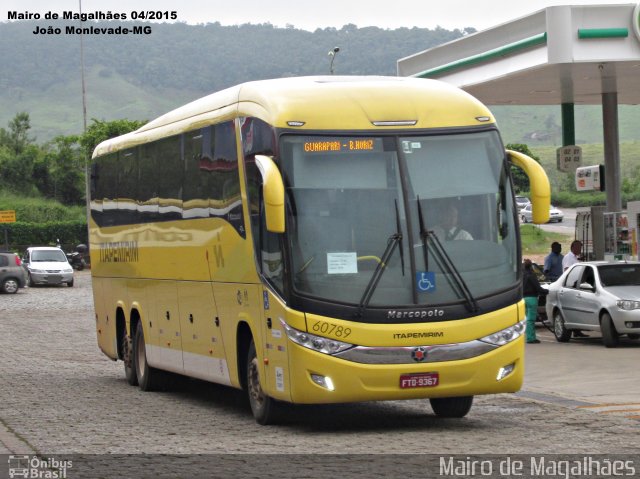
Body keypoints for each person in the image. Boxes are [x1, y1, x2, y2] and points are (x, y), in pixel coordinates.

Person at [561, 240, 588, 338]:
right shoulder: (569, 257)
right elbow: (567, 270)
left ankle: (577, 331)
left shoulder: (574, 258)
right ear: (573, 247)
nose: (580, 250)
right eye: (579, 248)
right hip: (571, 286)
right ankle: (575, 330)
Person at [523, 259, 548, 344]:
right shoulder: (531, 275)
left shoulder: (521, 275)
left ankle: (530, 336)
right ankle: (530, 338)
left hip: (523, 299)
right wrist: (546, 291)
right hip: (532, 299)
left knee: (527, 319)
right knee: (531, 320)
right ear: (531, 266)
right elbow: (537, 287)